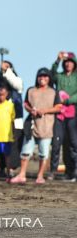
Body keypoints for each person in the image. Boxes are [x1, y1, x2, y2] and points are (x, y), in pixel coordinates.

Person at [11, 68, 61, 184]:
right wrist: (31, 110)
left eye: (45, 76)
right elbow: (26, 104)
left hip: (46, 126)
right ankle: (22, 174)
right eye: (40, 76)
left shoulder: (53, 92)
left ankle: (40, 176)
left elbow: (58, 107)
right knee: (25, 151)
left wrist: (44, 111)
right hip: (31, 125)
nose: (42, 78)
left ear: (49, 78)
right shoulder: (31, 90)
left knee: (43, 153)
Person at [0, 60, 23, 174]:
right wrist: (0, 96)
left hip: (16, 120)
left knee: (13, 145)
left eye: (8, 66)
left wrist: (7, 71)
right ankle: (2, 168)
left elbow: (16, 84)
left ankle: (10, 169)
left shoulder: (17, 80)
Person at [50, 52, 77, 181]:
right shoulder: (59, 76)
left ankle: (74, 171)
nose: (68, 64)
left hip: (73, 114)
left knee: (73, 143)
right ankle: (53, 171)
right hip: (59, 114)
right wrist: (57, 60)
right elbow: (50, 76)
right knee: (57, 143)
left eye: (70, 61)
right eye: (66, 62)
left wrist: (67, 100)